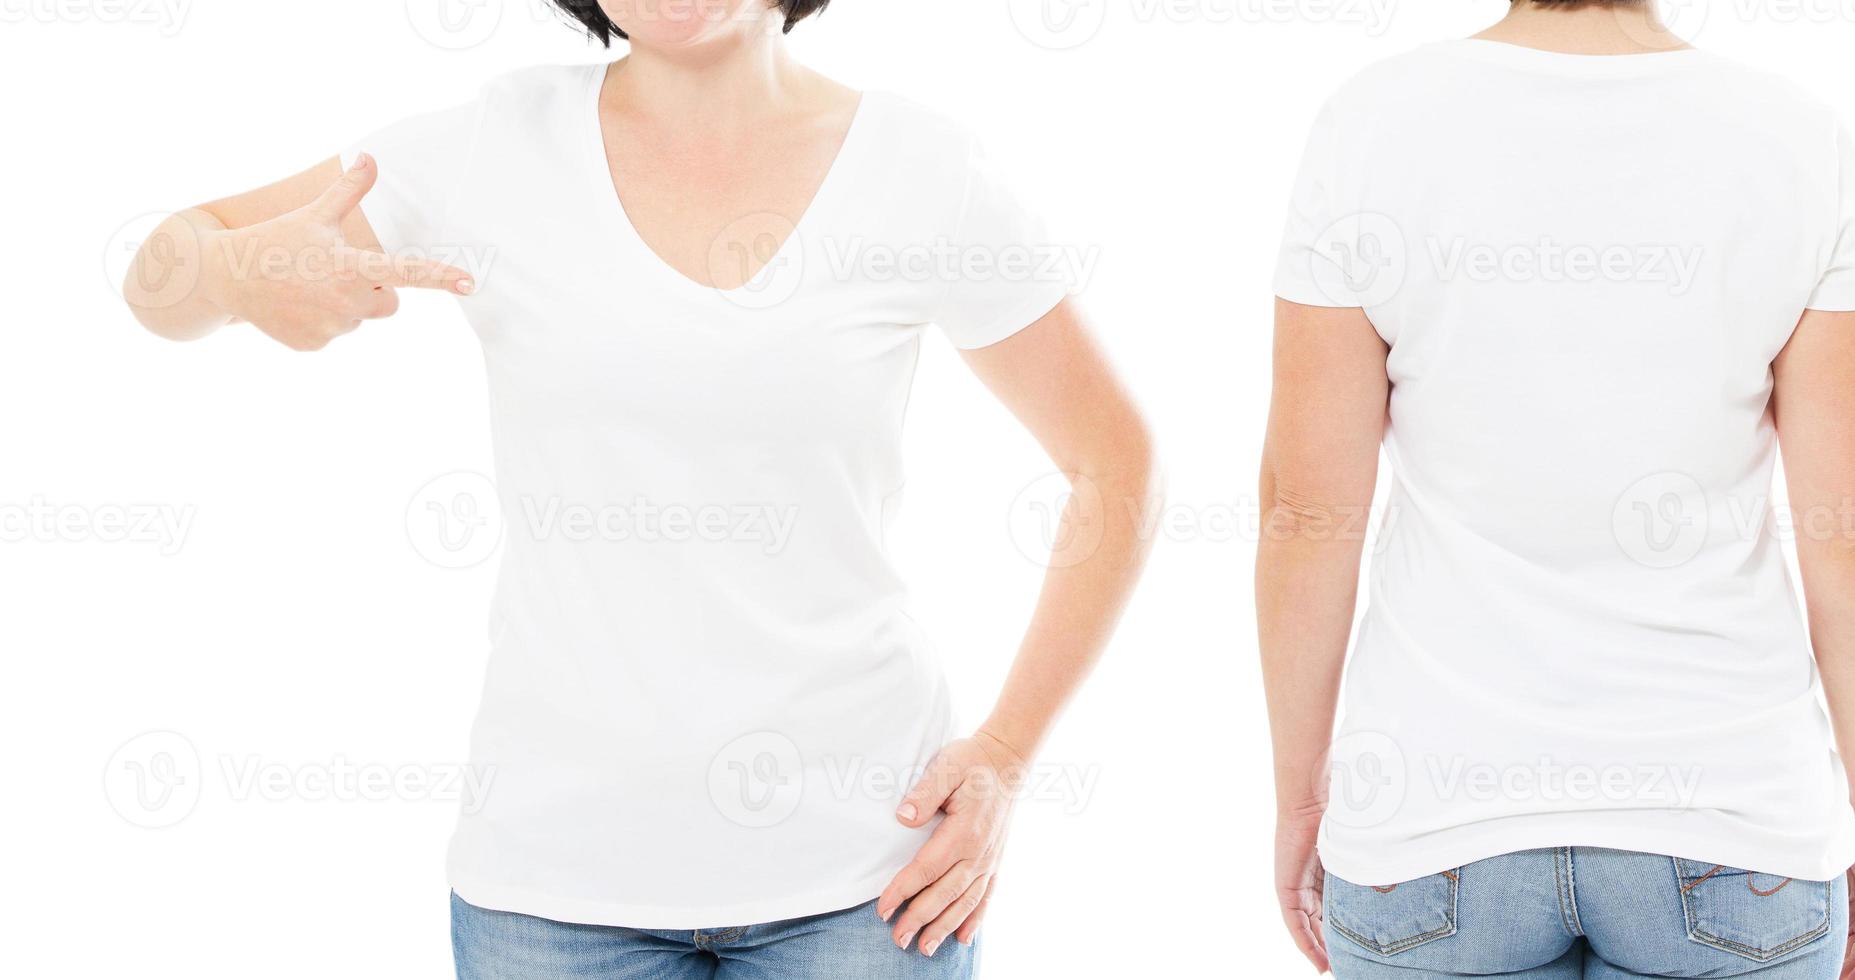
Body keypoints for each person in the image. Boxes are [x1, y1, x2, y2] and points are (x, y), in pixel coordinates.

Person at [122, 2, 1158, 977]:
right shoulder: (492, 147)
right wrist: (232, 274)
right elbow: (160, 270)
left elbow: (1116, 463)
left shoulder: (922, 167)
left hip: (870, 887)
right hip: (550, 895)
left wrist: (1008, 756)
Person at [1256, 2, 1855, 977]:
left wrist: (1304, 797)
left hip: (1431, 821)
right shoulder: (1796, 137)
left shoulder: (1371, 123)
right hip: (1732, 825)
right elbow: (1849, 533)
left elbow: (1306, 516)